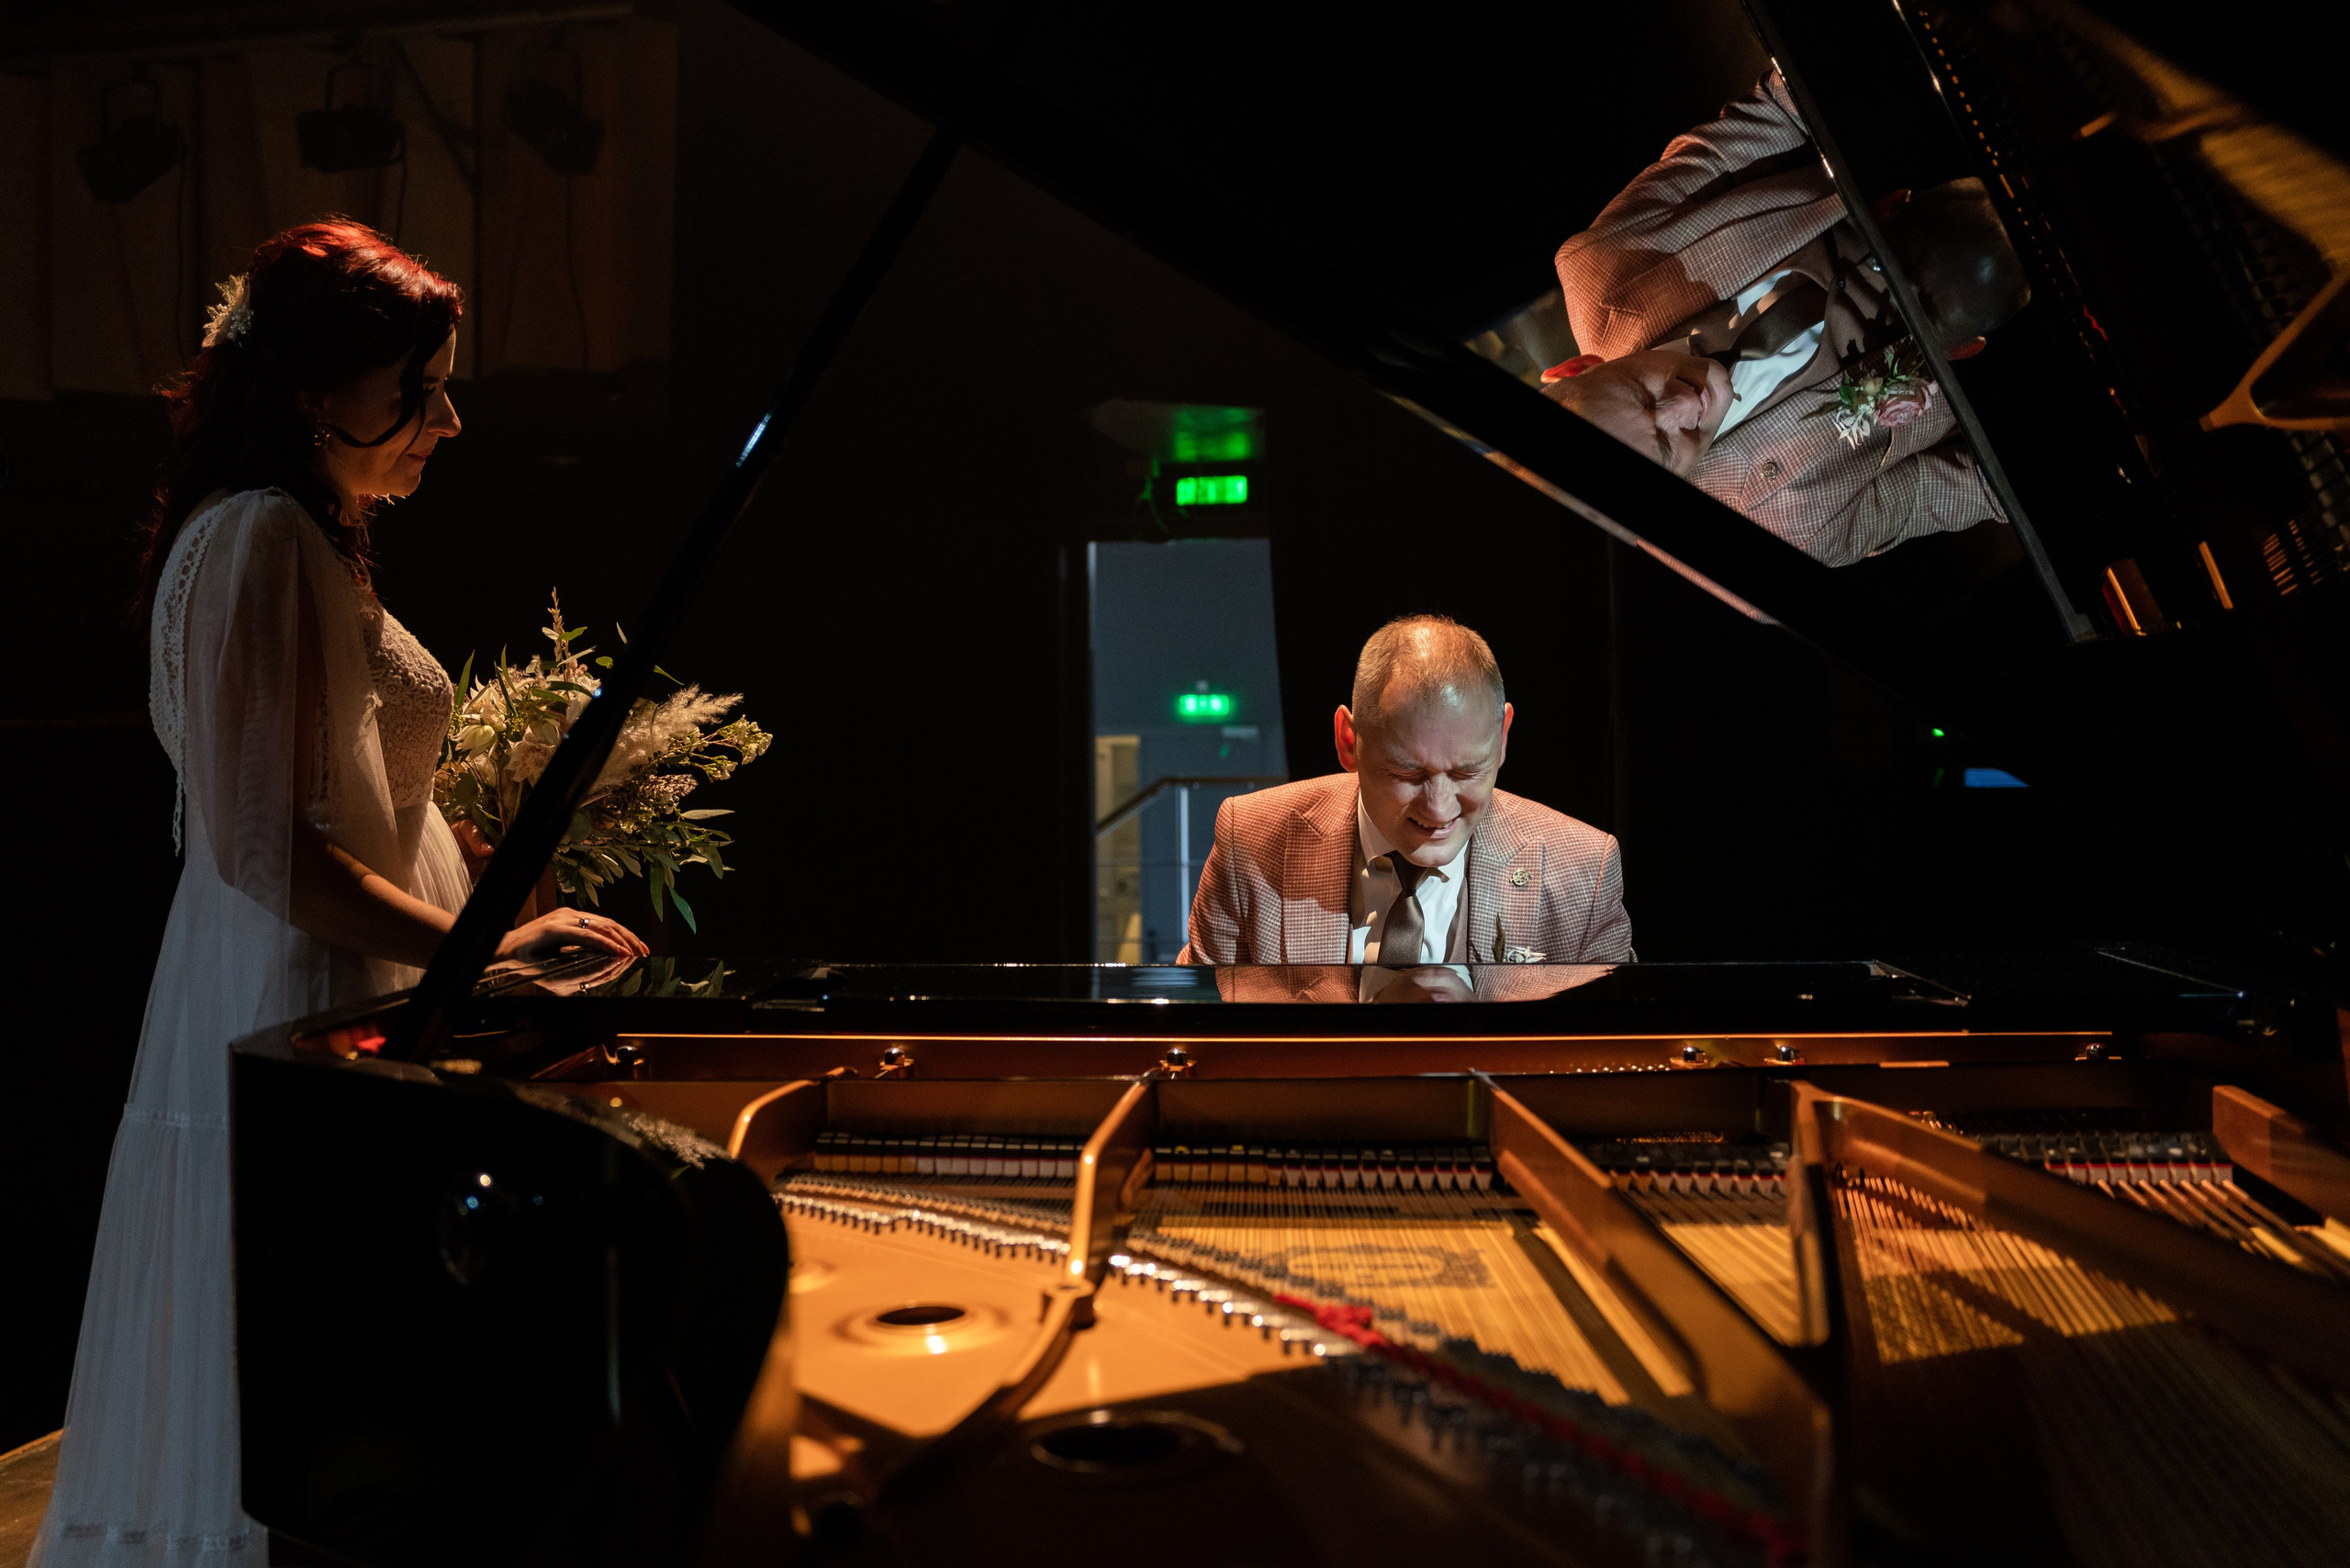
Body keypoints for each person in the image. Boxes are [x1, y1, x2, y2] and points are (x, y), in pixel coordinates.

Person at [33, 221, 647, 1568]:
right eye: (418, 391)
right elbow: (271, 850)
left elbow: (340, 802)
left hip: (341, 962)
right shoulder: (261, 536)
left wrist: (484, 867)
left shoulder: (295, 529)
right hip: (306, 980)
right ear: (316, 391)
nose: (448, 420)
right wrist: (478, 959)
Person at [1547, 71, 2031, 567]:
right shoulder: (1781, 544)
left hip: (1929, 127)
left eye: (1641, 395)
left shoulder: (1604, 263)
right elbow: (1976, 489)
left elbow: (1781, 108)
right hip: (2019, 327)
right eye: (1667, 449)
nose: (1681, 407)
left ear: (1576, 368)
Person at [1181, 615, 1631, 981]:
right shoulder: (1252, 841)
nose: (1438, 807)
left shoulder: (1582, 870)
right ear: (1348, 741)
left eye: (1466, 772)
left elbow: (1612, 1059)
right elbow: (1195, 1036)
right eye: (1406, 773)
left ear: (1503, 736)